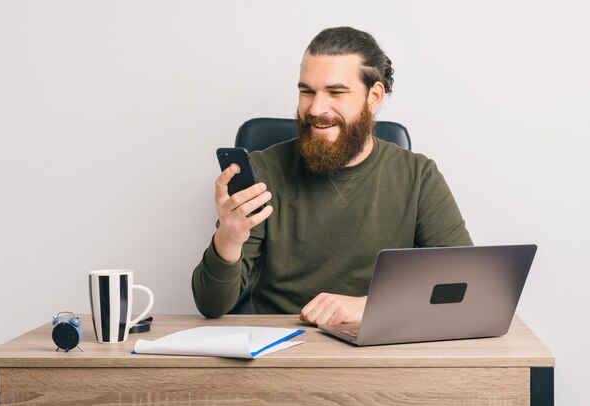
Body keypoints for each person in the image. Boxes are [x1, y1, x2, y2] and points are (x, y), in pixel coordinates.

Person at [192, 26, 472, 325]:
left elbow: (464, 287)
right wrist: (228, 240)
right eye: (306, 91)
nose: (316, 108)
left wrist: (370, 307)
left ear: (374, 96)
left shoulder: (418, 176)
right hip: (277, 350)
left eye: (336, 92)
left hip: (380, 348)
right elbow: (212, 306)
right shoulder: (263, 172)